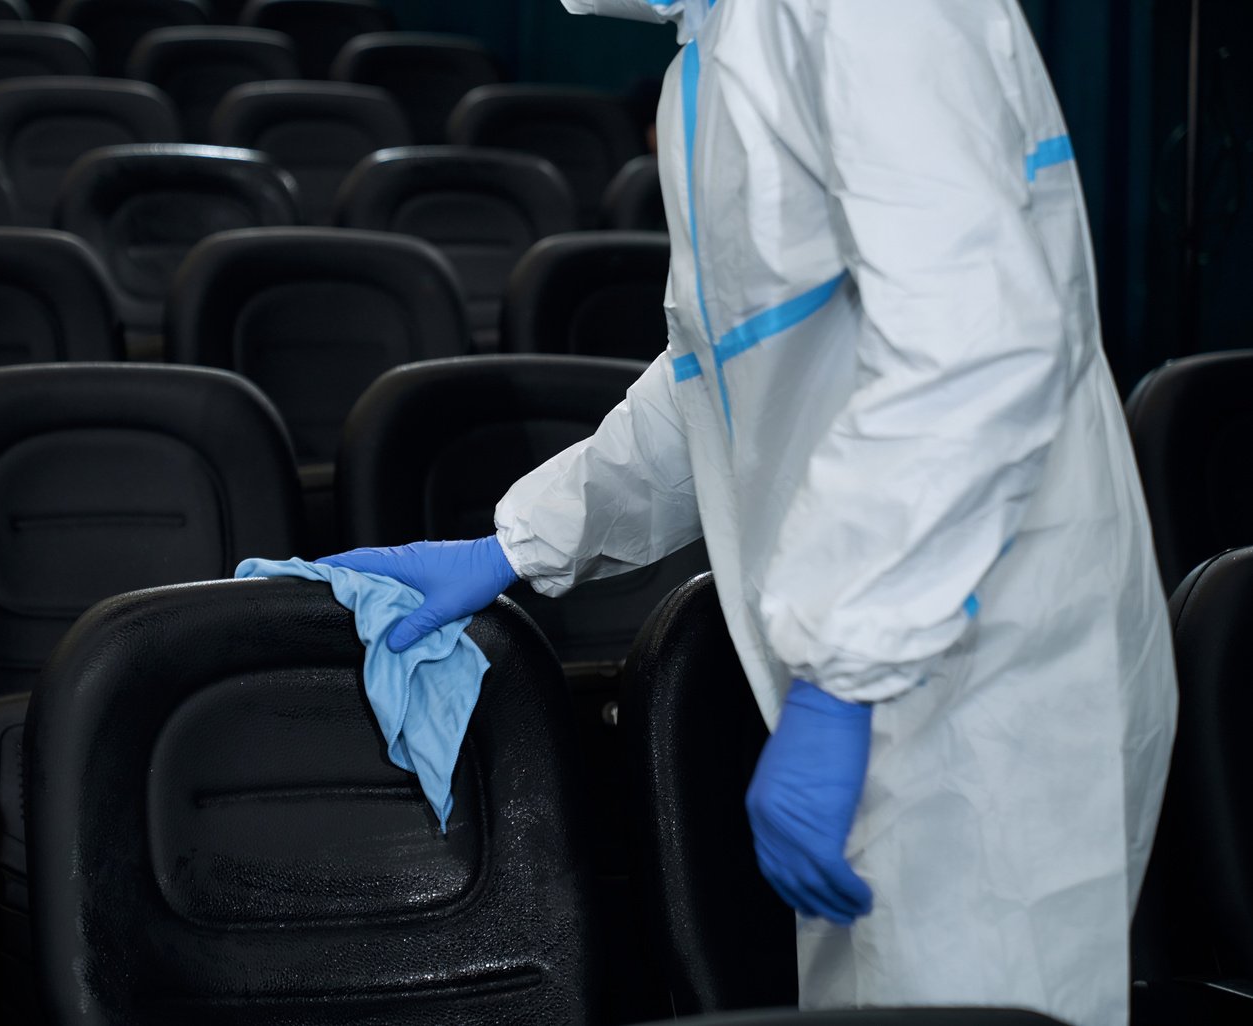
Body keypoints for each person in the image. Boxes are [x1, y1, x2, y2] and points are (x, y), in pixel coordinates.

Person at [319, 1, 1177, 1024]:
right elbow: (719, 384)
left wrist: (840, 679)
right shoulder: (720, 53)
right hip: (876, 666)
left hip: (987, 681)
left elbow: (976, 351)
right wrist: (515, 543)